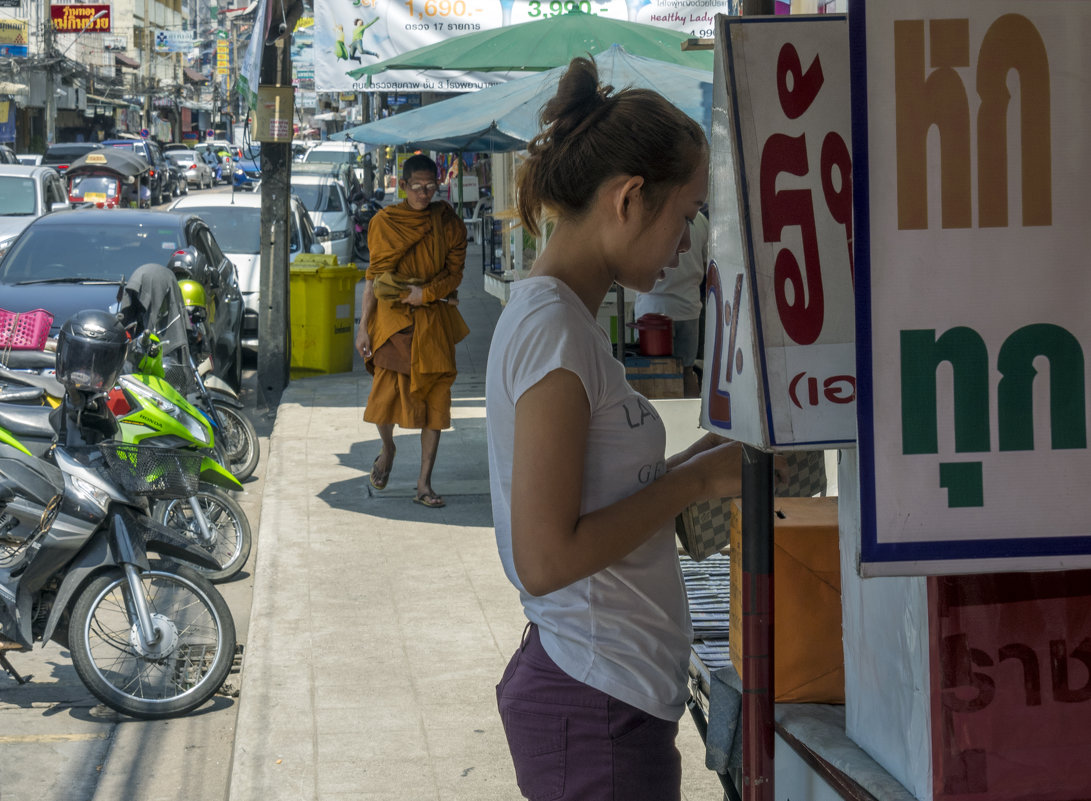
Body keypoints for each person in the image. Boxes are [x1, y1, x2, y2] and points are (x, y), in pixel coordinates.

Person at [485, 56, 747, 799]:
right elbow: (544, 557)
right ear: (629, 197)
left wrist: (684, 469)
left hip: (607, 695)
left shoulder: (566, 321)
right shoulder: (554, 331)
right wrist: (693, 480)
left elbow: (590, 498)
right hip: (591, 702)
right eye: (687, 214)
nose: (687, 243)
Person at [355, 154, 469, 509]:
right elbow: (374, 277)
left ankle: (424, 483)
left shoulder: (447, 222)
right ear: (402, 186)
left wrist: (427, 294)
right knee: (384, 399)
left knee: (436, 401)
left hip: (433, 318)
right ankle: (387, 448)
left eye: (430, 187)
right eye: (417, 187)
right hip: (394, 321)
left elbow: (455, 274)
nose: (424, 193)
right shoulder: (385, 222)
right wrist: (363, 327)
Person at [633, 203, 710, 397]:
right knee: (687, 372)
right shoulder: (699, 220)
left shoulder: (650, 214)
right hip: (689, 309)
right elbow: (707, 263)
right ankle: (692, 424)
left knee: (651, 374)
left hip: (652, 313)